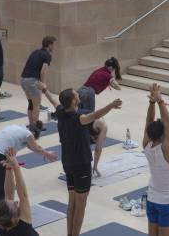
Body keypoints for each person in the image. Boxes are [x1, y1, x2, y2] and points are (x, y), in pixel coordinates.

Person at [40, 84, 121, 236]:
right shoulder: (80, 119)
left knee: (72, 202)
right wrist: (111, 105)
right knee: (80, 205)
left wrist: (45, 90)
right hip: (81, 164)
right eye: (75, 95)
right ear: (73, 102)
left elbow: (53, 101)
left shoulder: (61, 112)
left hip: (67, 163)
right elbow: (96, 115)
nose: (78, 94)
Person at [0, 124, 56, 216]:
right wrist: (48, 154)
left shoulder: (15, 128)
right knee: (2, 190)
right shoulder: (28, 134)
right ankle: (3, 216)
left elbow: (19, 150)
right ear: (33, 133)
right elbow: (36, 148)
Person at [143, 84, 169, 236]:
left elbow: (148, 121)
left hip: (152, 200)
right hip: (167, 203)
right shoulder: (167, 149)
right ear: (163, 135)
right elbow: (168, 123)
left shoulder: (147, 145)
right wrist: (160, 101)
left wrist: (152, 103)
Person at [0, 147, 39, 235]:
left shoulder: (4, 225)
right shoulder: (24, 227)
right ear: (13, 217)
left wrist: (9, 168)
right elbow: (23, 195)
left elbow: (9, 194)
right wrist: (16, 166)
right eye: (15, 206)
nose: (17, 202)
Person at [20, 36, 56, 125]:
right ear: (49, 45)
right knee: (36, 105)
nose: (54, 47)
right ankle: (36, 126)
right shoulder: (47, 55)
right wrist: (42, 84)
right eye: (53, 44)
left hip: (23, 79)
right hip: (32, 80)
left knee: (31, 103)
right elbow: (43, 72)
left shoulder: (36, 52)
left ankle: (31, 124)